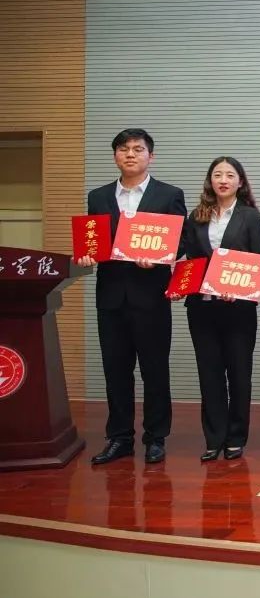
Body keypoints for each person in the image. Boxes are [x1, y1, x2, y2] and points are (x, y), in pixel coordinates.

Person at [79, 128, 187, 465]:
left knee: (155, 371)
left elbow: (182, 239)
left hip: (151, 296)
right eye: (123, 149)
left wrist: (160, 256)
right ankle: (120, 438)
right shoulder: (98, 196)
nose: (130, 154)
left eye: (138, 149)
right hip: (111, 298)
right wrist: (87, 255)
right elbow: (92, 240)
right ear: (115, 156)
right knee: (115, 371)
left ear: (150, 156)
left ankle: (156, 437)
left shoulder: (169, 194)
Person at [181, 156, 260, 462]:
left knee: (239, 374)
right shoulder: (197, 215)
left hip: (238, 309)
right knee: (209, 374)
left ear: (240, 182)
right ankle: (214, 438)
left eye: (230, 175)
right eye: (218, 175)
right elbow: (191, 259)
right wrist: (179, 285)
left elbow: (258, 261)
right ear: (210, 180)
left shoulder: (250, 217)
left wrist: (240, 290)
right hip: (202, 307)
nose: (223, 180)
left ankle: (236, 437)